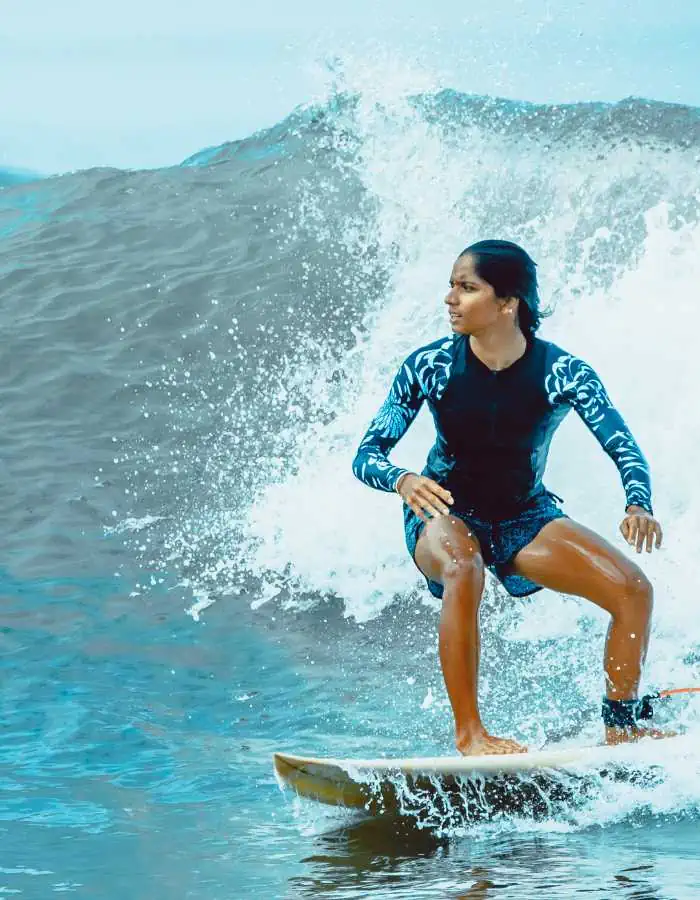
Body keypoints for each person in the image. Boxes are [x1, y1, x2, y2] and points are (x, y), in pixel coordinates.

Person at [352, 239, 665, 756]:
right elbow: (367, 454)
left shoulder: (563, 373)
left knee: (632, 589)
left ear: (507, 303)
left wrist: (637, 503)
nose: (450, 298)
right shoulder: (429, 365)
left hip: (524, 515)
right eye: (452, 285)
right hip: (445, 512)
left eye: (467, 287)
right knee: (462, 565)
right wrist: (403, 480)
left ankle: (622, 723)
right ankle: (470, 734)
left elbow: (623, 446)